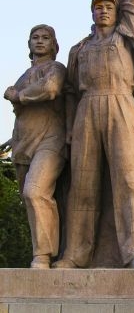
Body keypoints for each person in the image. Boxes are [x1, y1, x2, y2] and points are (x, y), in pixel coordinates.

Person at [54, 0, 134, 269]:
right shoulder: (79, 48)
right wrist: (70, 127)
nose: (103, 11)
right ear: (92, 13)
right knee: (83, 184)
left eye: (108, 8)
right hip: (87, 107)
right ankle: (75, 254)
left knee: (130, 181)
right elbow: (70, 91)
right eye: (98, 8)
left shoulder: (126, 36)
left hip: (121, 104)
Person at [3, 25, 66, 269]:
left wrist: (17, 95)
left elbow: (50, 89)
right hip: (23, 144)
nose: (40, 42)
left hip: (50, 140)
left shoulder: (56, 69)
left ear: (53, 44)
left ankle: (44, 255)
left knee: (35, 191)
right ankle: (39, 252)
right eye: (35, 38)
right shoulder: (24, 75)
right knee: (29, 199)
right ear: (29, 44)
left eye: (45, 38)